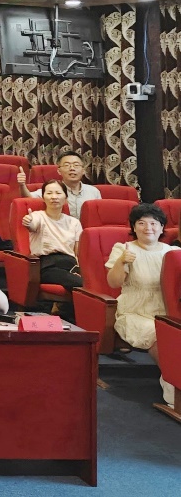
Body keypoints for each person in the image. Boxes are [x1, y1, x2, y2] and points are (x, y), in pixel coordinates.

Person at [105, 202, 179, 407]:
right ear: (134, 227)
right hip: (134, 312)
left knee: (170, 331)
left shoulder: (172, 252)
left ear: (162, 227)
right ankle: (174, 392)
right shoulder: (124, 249)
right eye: (141, 223)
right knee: (160, 334)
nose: (148, 228)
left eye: (154, 223)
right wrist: (121, 262)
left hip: (167, 312)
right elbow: (113, 283)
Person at [21, 179, 83, 297]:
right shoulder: (37, 216)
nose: (54, 197)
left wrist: (79, 270)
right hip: (47, 266)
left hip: (70, 264)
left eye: (58, 193)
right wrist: (28, 222)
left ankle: (63, 306)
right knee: (81, 284)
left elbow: (78, 253)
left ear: (66, 198)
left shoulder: (74, 222)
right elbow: (32, 225)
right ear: (43, 197)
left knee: (91, 282)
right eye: (49, 193)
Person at [18, 151, 100, 221]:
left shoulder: (93, 191)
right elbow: (28, 199)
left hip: (87, 232)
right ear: (59, 171)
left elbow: (98, 216)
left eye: (76, 165)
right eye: (67, 165)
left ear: (83, 171)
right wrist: (22, 185)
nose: (72, 168)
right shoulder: (52, 188)